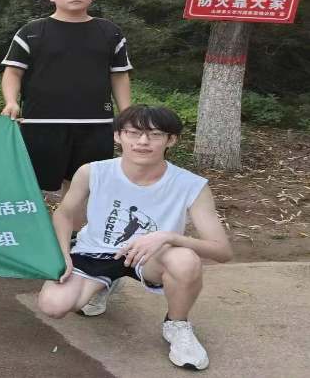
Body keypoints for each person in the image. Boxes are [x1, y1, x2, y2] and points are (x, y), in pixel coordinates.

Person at [36, 105, 233, 371]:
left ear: (171, 140)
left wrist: (168, 237)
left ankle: (177, 325)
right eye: (133, 133)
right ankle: (104, 284)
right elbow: (64, 214)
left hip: (150, 258)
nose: (142, 141)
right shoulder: (92, 172)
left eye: (154, 134)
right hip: (95, 251)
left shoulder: (190, 185)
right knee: (53, 305)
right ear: (117, 136)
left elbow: (222, 251)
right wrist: (63, 255)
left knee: (185, 260)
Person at [0, 0, 132, 198]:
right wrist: (11, 101)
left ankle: (71, 224)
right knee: (33, 184)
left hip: (96, 124)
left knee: (83, 187)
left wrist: (127, 114)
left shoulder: (110, 32)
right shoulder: (32, 32)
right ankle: (39, 223)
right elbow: (13, 72)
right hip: (40, 123)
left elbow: (119, 74)